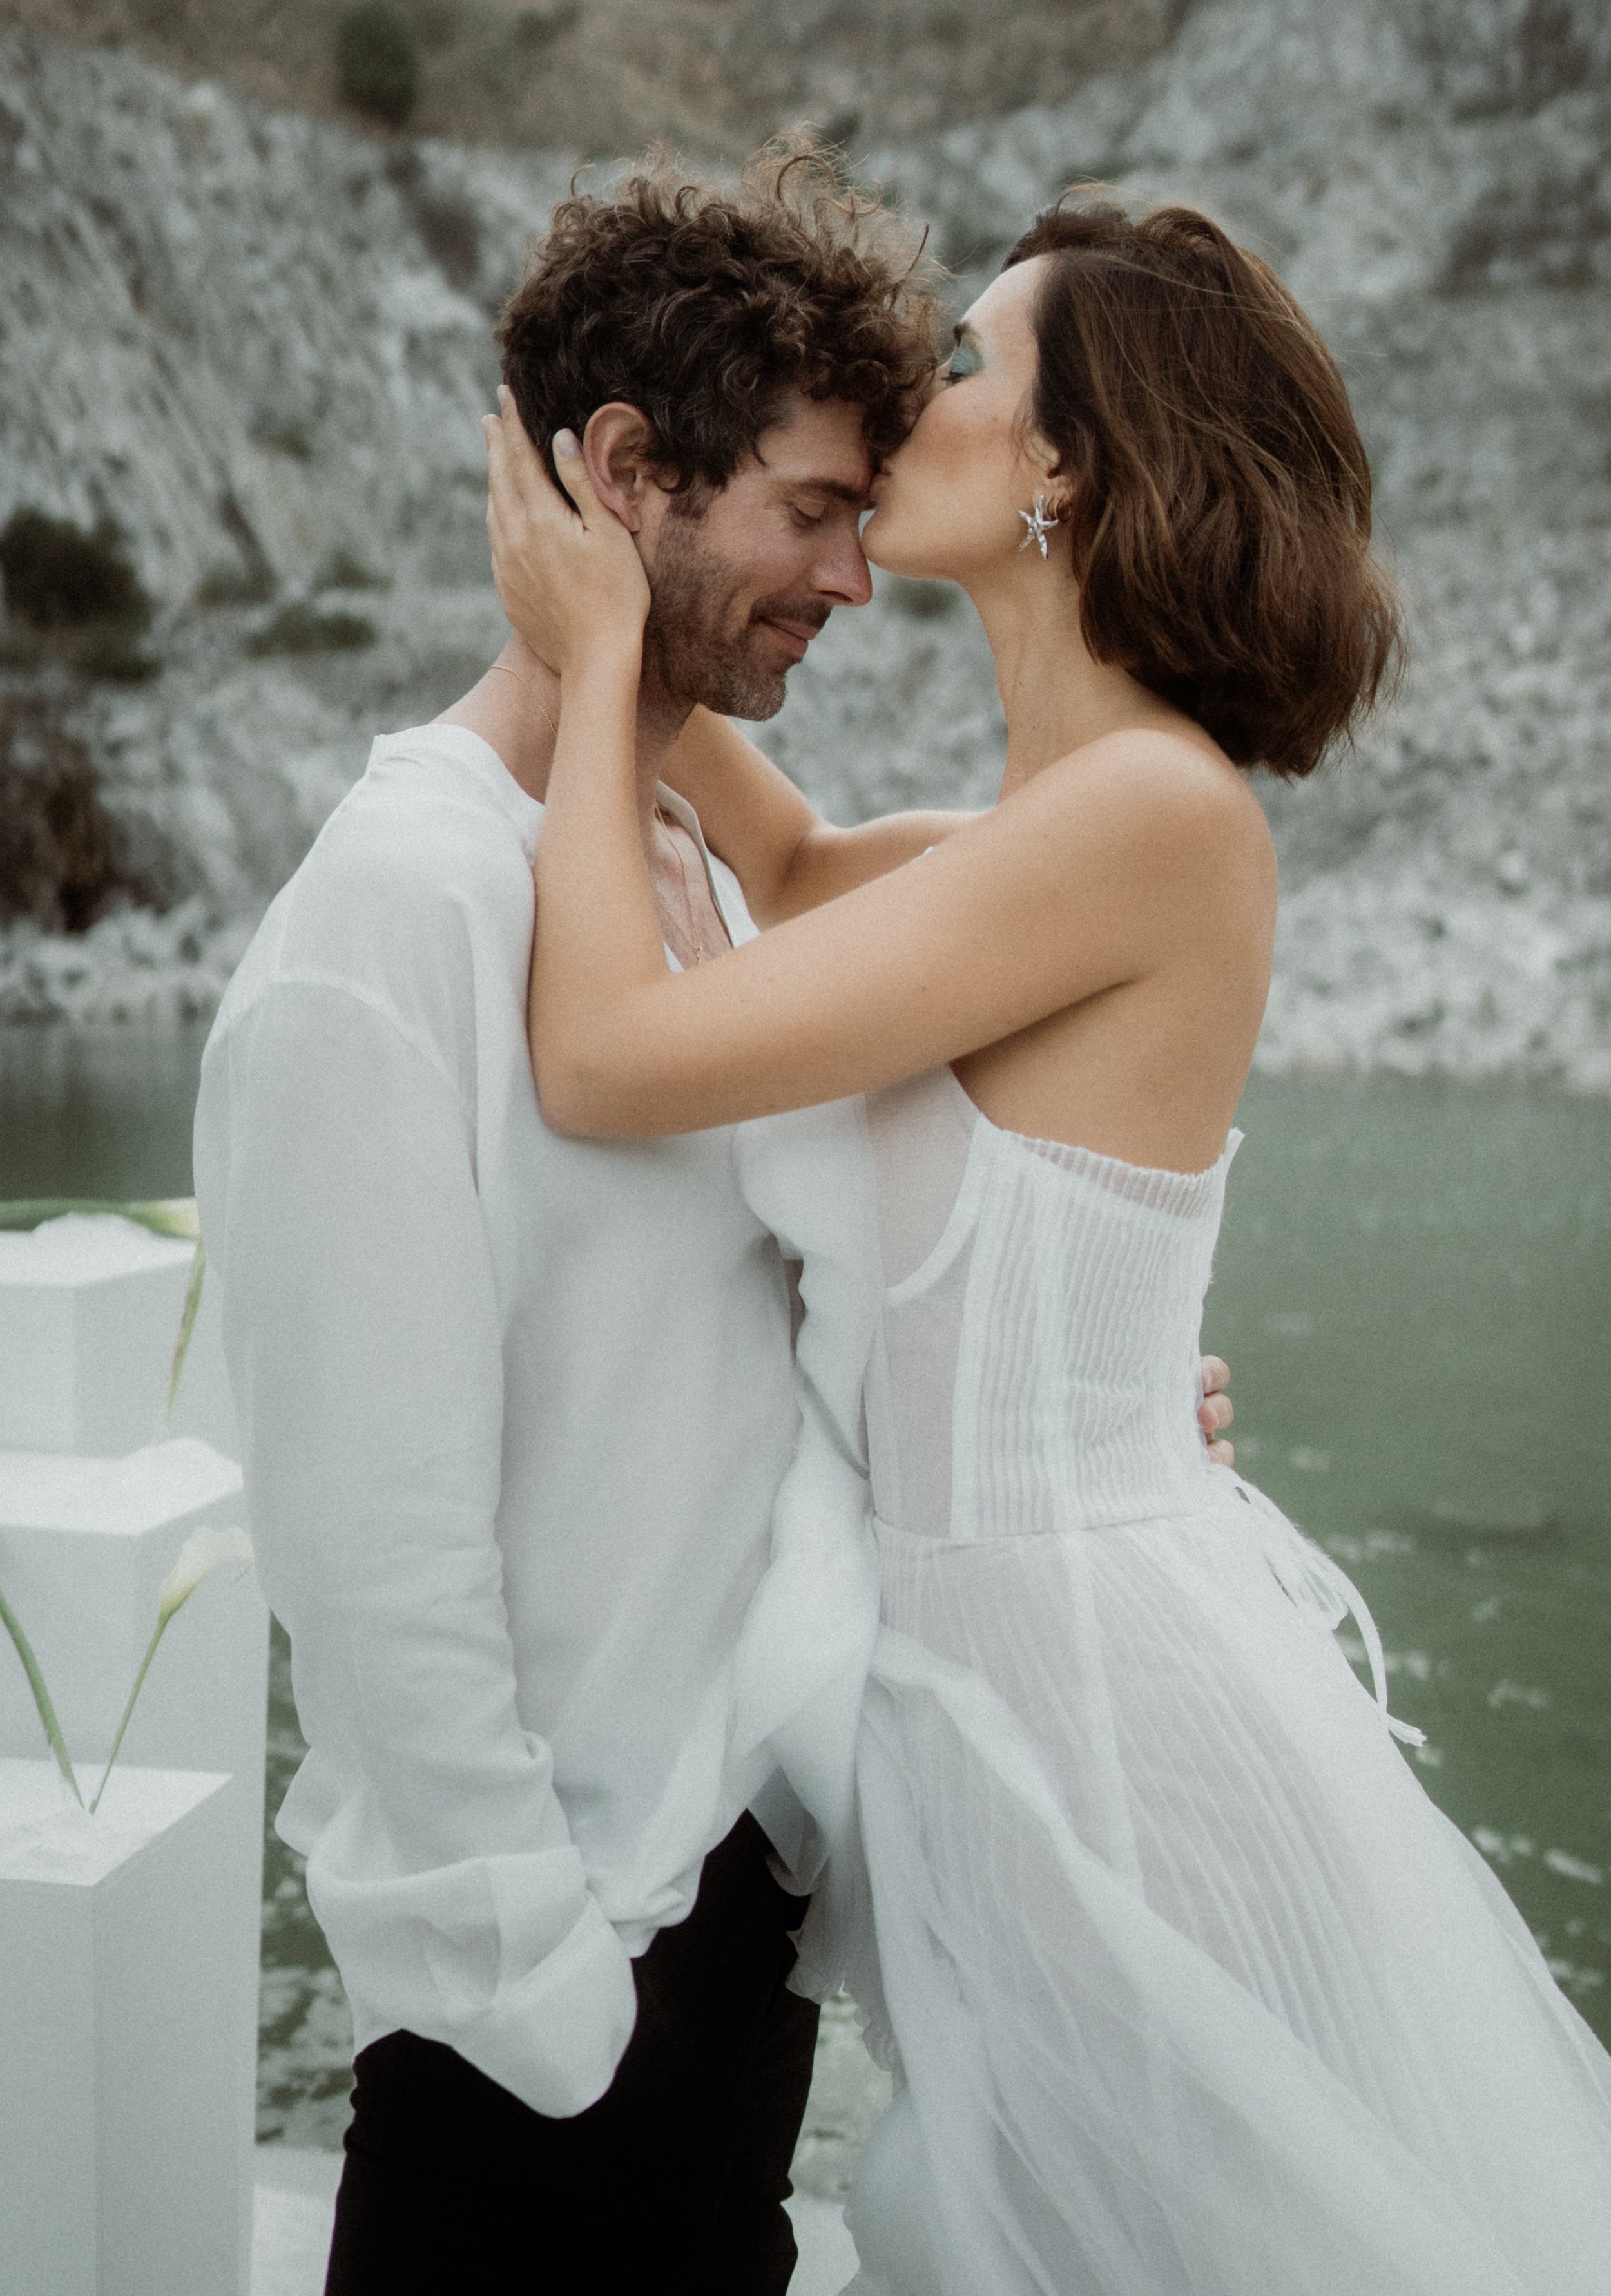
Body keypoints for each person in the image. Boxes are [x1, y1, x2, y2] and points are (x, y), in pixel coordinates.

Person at [487, 191, 1611, 2291]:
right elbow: (800, 861)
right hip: (991, 1713)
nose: (918, 397)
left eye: (974, 364)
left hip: (1102, 1722)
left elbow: (611, 1051)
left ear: (1070, 468)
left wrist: (600, 635)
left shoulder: (1153, 822)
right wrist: (608, 564)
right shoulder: (1036, 840)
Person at [193, 148, 1240, 2294]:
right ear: (625, 482)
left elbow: (761, 1349)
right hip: (551, 2005)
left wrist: (1071, 1406)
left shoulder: (670, 863)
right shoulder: (396, 912)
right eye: (811, 509)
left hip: (738, 1943)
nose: (852, 576)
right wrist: (545, 1991)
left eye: (872, 507)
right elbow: (369, 1556)